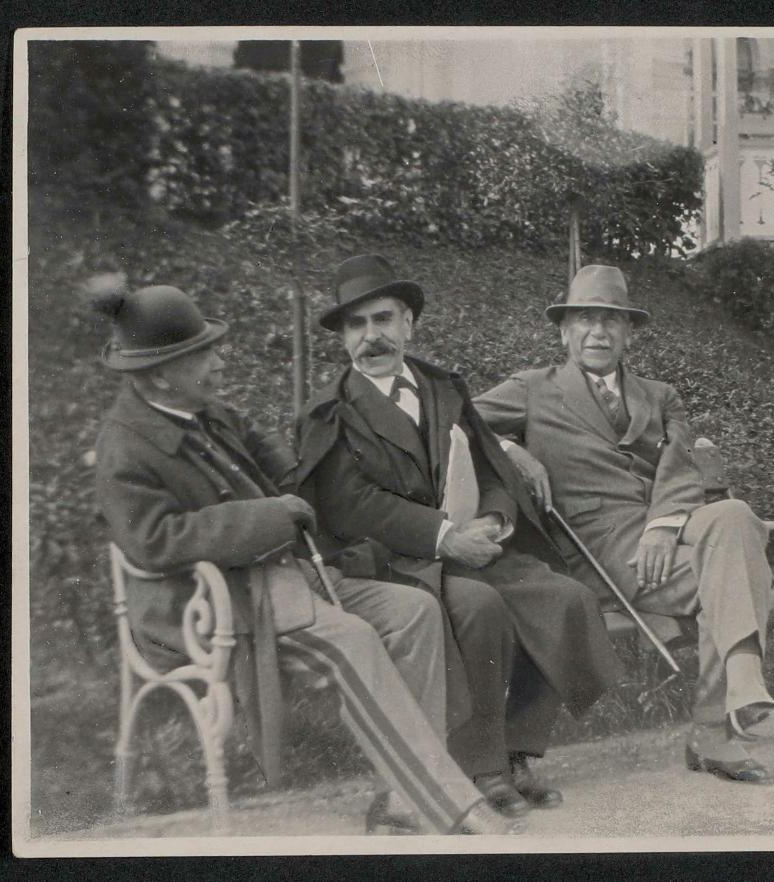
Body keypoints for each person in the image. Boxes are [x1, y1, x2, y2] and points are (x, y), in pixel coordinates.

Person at [92, 283, 510, 834]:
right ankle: (448, 807)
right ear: (161, 374)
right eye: (205, 355)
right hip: (211, 606)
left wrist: (296, 488)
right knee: (352, 641)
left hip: (282, 577)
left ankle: (405, 798)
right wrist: (270, 516)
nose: (220, 363)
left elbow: (278, 463)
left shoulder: (206, 412)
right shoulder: (124, 446)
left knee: (415, 611)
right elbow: (154, 541)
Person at [294, 255, 622, 817]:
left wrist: (494, 520)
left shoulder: (443, 389)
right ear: (343, 337)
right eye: (356, 325)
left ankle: (517, 752)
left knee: (565, 597)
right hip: (395, 562)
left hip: (468, 545)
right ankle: (480, 767)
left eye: (383, 319)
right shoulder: (328, 413)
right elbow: (351, 505)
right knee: (478, 606)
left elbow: (493, 469)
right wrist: (445, 536)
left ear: (408, 324)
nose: (371, 337)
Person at [474, 264, 774, 786]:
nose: (598, 332)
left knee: (735, 518)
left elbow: (680, 465)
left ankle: (741, 682)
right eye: (585, 320)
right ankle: (718, 727)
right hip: (597, 550)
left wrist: (663, 525)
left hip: (662, 538)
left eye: (611, 321)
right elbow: (457, 418)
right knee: (733, 573)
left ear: (628, 334)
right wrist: (512, 451)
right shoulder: (532, 388)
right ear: (564, 332)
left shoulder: (659, 395)